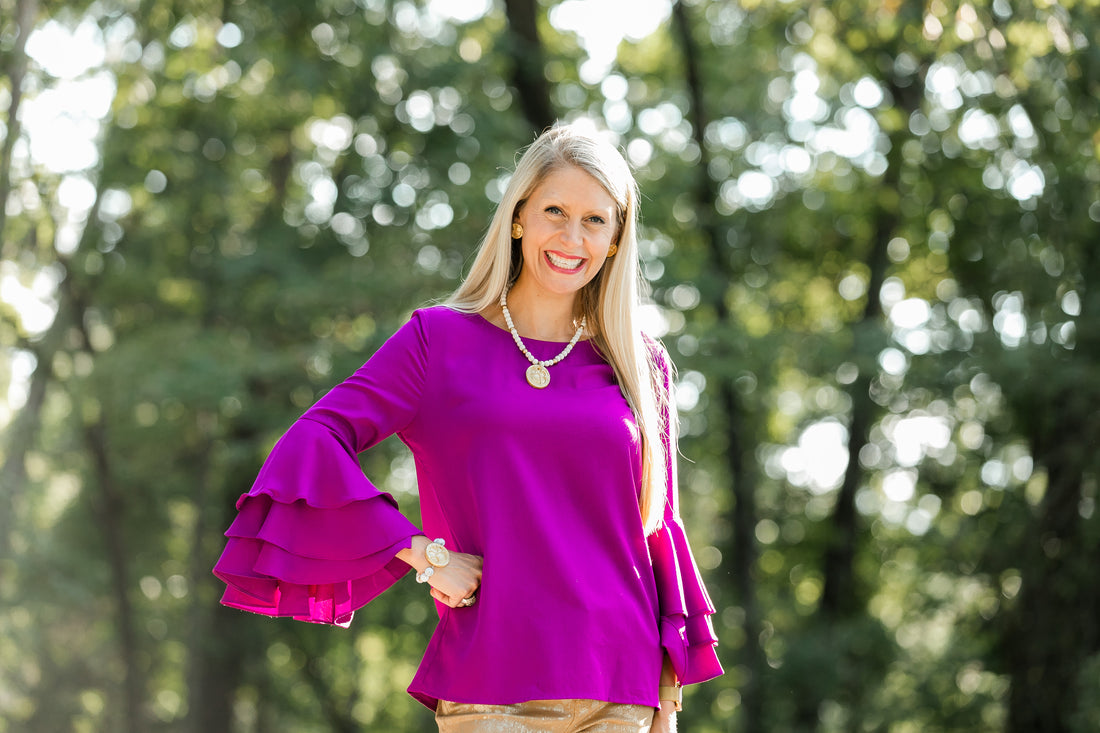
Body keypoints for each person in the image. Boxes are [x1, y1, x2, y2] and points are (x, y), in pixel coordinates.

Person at [213, 122, 722, 732]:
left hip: (622, 684)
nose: (571, 237)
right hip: (491, 682)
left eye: (595, 220)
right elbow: (314, 440)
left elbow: (654, 528)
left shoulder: (641, 364)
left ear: (616, 238)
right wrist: (421, 554)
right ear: (517, 217)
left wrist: (667, 692)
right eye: (554, 211)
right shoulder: (439, 341)